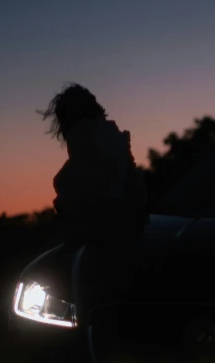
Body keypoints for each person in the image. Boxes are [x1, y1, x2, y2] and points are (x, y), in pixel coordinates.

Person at [38, 83, 148, 316]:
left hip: (100, 227)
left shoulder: (84, 135)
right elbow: (133, 184)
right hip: (129, 224)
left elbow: (79, 184)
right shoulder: (113, 135)